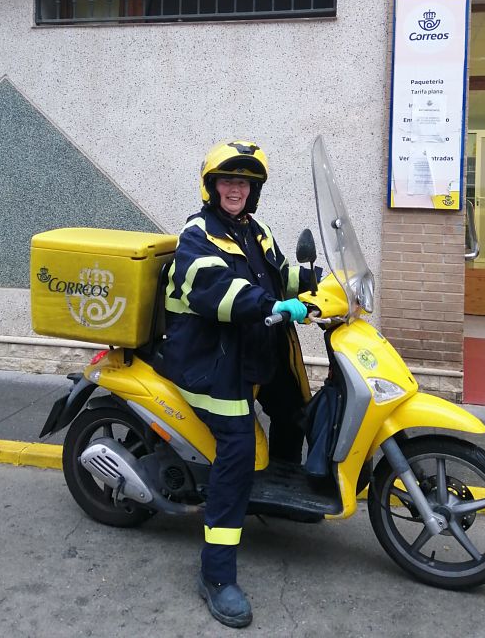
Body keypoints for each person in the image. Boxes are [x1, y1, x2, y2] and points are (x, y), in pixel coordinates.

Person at [155, 140, 318, 629]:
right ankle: (216, 574)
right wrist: (271, 305)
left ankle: (280, 494)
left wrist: (316, 281)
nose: (236, 189)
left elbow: (278, 275)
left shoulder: (255, 230)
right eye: (228, 180)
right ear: (211, 186)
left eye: (244, 183)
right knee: (238, 450)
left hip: (250, 350)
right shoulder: (197, 234)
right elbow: (217, 291)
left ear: (253, 191)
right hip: (209, 361)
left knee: (294, 405)